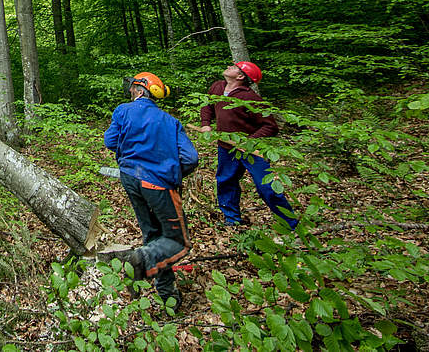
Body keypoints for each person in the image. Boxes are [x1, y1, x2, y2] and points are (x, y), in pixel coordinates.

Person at [101, 72, 198, 310]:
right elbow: (191, 158)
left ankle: (167, 296)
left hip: (131, 179)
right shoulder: (170, 121)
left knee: (157, 237)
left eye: (134, 88)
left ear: (141, 91)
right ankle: (141, 263)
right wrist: (173, 172)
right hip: (157, 183)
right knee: (177, 242)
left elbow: (110, 141)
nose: (131, 91)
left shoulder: (123, 111)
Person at [199, 61, 299, 229]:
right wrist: (206, 123)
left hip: (252, 150)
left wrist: (249, 142)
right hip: (226, 147)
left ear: (240, 76)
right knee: (225, 181)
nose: (229, 67)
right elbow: (207, 105)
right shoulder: (217, 87)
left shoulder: (250, 98)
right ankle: (232, 220)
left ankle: (290, 224)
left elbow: (270, 126)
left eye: (235, 67)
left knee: (266, 187)